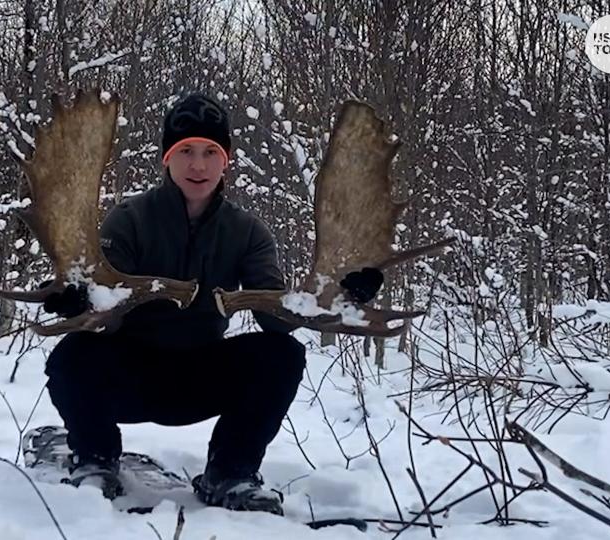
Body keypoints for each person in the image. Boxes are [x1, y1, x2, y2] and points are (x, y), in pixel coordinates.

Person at [41, 94, 384, 515]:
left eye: (210, 152)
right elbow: (104, 315)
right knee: (73, 355)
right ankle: (94, 459)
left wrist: (345, 294)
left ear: (227, 161)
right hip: (130, 375)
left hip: (201, 375)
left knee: (281, 355)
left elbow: (275, 321)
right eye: (185, 151)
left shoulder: (247, 232)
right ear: (167, 158)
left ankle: (232, 471)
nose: (198, 166)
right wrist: (78, 302)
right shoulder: (128, 220)